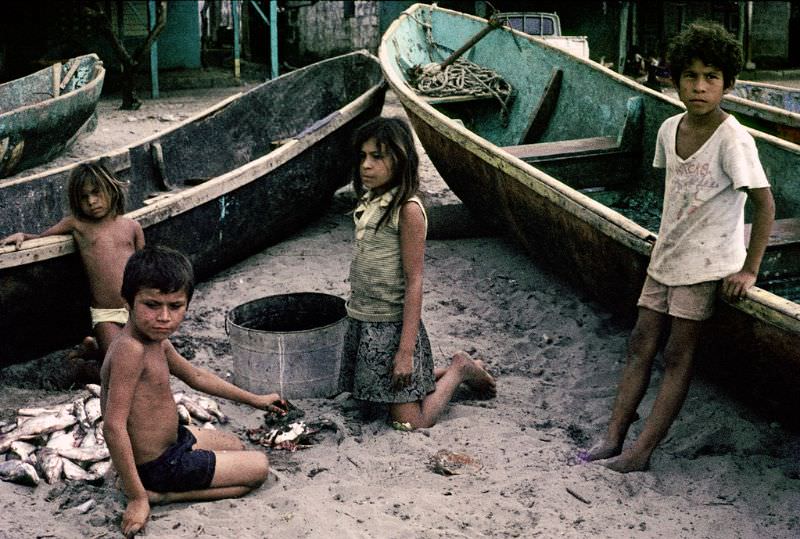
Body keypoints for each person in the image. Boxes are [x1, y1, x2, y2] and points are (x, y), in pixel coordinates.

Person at [585, 22, 775, 473]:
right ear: (674, 80)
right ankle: (613, 437)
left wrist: (749, 270)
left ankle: (641, 452)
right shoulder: (669, 128)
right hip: (667, 256)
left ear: (728, 84)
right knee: (639, 343)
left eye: (711, 77)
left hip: (706, 264)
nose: (699, 87)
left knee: (676, 354)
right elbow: (676, 193)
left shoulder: (733, 139)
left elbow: (765, 205)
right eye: (690, 76)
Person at [101, 245, 286, 537]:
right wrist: (137, 498)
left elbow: (196, 376)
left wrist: (256, 400)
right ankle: (158, 496)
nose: (164, 317)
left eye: (175, 306)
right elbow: (113, 426)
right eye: (152, 305)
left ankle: (146, 485)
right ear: (127, 302)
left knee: (235, 445)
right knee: (259, 468)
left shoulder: (156, 341)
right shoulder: (130, 350)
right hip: (158, 465)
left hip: (174, 442)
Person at [338, 117, 496, 429]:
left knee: (411, 422)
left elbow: (415, 280)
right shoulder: (371, 199)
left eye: (378, 156)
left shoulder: (407, 209)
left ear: (401, 159)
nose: (366, 165)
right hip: (365, 317)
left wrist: (405, 351)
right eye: (363, 156)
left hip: (392, 325)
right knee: (372, 394)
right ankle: (432, 373)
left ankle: (458, 370)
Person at [1, 161, 145, 379]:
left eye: (96, 193)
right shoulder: (77, 224)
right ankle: (87, 364)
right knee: (118, 369)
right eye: (84, 197)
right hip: (105, 314)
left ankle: (93, 348)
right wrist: (23, 235)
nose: (91, 201)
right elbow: (42, 238)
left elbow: (145, 269)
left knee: (144, 361)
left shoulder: (132, 227)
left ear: (111, 188)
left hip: (135, 310)